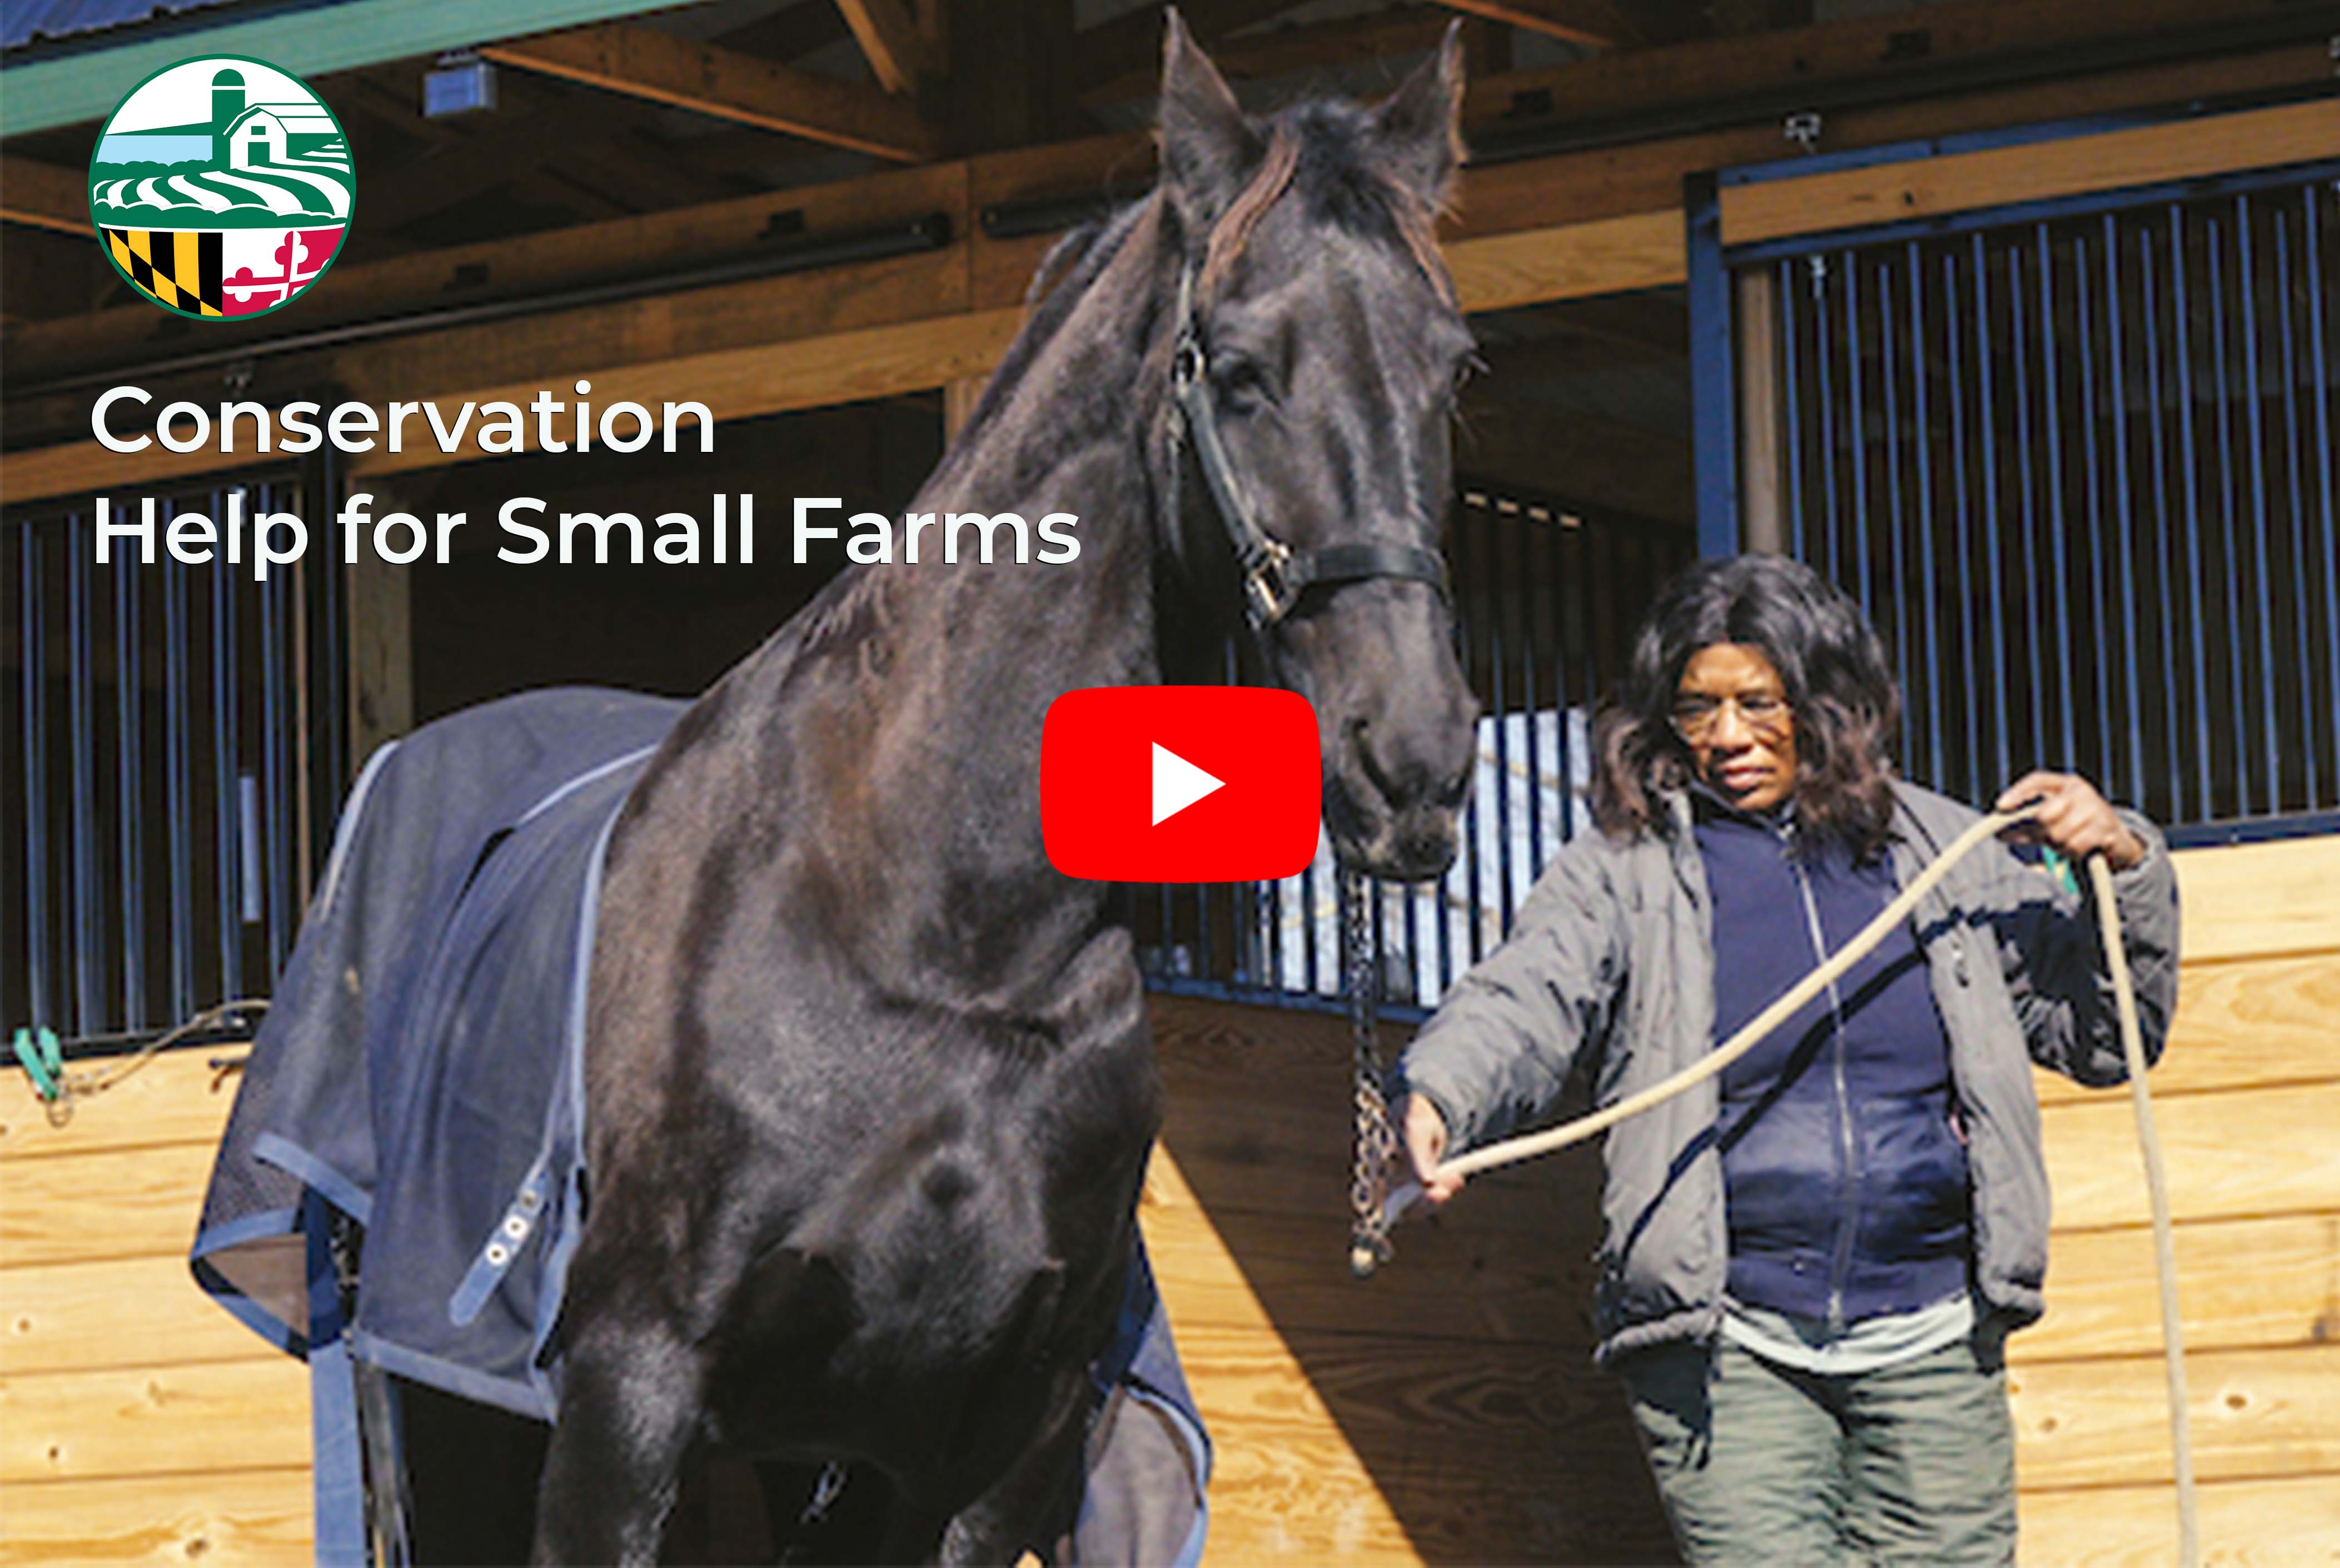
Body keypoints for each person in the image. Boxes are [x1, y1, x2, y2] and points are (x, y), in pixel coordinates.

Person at [1393, 554, 2180, 1565]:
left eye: (1756, 703)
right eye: (1695, 708)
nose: (1725, 737)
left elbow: (2104, 1035)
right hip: (1729, 1348)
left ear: (1825, 700)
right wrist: (1441, 1089)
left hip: (1934, 1335)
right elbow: (1524, 992)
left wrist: (2125, 861)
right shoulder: (1625, 870)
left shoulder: (1945, 852)